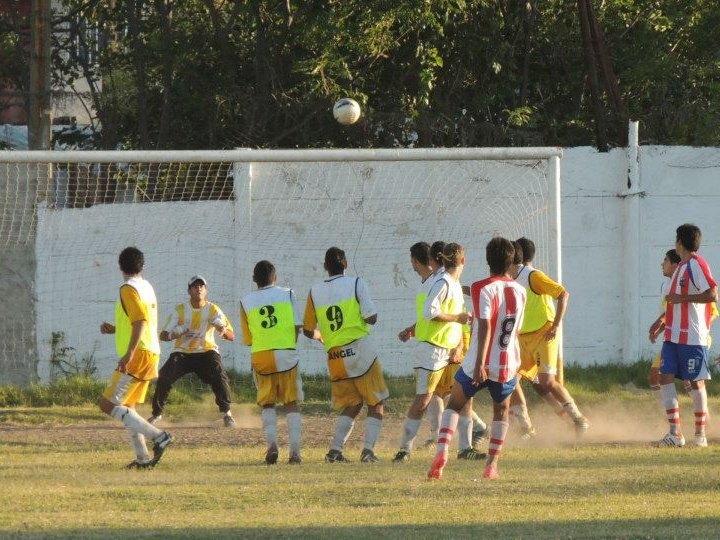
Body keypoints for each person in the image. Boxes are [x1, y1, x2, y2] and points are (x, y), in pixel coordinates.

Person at [427, 237, 526, 480]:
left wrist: (481, 362)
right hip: (507, 362)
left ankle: (441, 453)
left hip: (478, 362)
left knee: (455, 405)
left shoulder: (482, 287)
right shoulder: (521, 290)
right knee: (501, 411)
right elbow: (517, 329)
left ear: (486, 260)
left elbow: (484, 326)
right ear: (511, 261)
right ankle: (491, 465)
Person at [394, 242, 482, 462]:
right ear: (463, 261)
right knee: (424, 400)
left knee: (463, 397)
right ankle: (404, 450)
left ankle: (465, 448)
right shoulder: (441, 282)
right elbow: (431, 312)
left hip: (451, 349)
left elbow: (455, 315)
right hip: (432, 350)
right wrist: (457, 319)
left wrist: (461, 344)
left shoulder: (450, 282)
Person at [303, 247, 389, 463]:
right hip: (360, 351)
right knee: (376, 401)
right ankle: (368, 451)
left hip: (335, 357)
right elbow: (372, 318)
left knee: (352, 403)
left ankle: (334, 451)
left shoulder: (314, 291)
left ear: (325, 267)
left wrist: (321, 336)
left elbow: (307, 330)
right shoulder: (357, 283)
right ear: (346, 264)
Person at [99, 247, 173, 469]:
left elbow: (140, 321)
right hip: (150, 351)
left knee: (107, 404)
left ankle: (159, 437)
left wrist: (129, 353)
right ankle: (142, 459)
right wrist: (115, 328)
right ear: (143, 266)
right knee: (127, 407)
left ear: (120, 267)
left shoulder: (128, 289)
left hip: (138, 353)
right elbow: (139, 320)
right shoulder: (146, 287)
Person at [508, 237, 589, 436]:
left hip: (544, 335)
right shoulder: (511, 279)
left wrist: (555, 325)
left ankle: (579, 419)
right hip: (523, 338)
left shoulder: (533, 276)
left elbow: (563, 295)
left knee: (547, 382)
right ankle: (526, 427)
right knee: (509, 380)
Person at [654, 224, 717, 447]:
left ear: (679, 242)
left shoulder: (696, 264)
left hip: (692, 336)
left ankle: (700, 435)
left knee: (695, 382)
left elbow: (712, 294)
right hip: (673, 335)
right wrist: (661, 323)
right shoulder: (681, 267)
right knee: (664, 376)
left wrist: (684, 299)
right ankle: (675, 434)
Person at [149, 275, 236, 427]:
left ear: (206, 290)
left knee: (219, 374)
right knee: (164, 376)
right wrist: (173, 334)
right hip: (183, 352)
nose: (199, 289)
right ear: (189, 291)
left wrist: (221, 328)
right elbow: (163, 335)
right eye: (195, 286)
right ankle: (157, 414)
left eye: (202, 286)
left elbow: (231, 336)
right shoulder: (180, 310)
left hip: (206, 351)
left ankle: (227, 413)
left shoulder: (213, 309)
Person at [240, 260, 304, 465]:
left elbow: (248, 339)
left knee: (268, 404)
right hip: (286, 354)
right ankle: (294, 453)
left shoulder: (245, 301)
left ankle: (272, 446)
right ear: (275, 278)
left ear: (253, 280)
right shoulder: (288, 294)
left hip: (261, 356)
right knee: (291, 403)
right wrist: (288, 345)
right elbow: (297, 326)